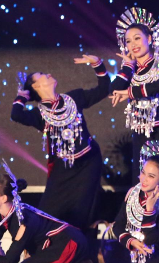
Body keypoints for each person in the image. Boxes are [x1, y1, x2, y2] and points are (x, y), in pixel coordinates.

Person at [11, 54, 108, 231]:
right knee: (50, 208)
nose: (48, 74)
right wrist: (22, 97)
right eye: (42, 75)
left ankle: (83, 243)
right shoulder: (39, 114)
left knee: (84, 208)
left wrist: (97, 64)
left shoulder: (74, 98)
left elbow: (104, 89)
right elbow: (16, 115)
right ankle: (46, 241)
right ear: (36, 86)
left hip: (89, 160)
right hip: (63, 167)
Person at [0, 171, 92, 263]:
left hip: (67, 244)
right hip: (55, 245)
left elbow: (9, 261)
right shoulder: (3, 214)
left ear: (3, 198)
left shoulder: (22, 221)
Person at [110, 8, 159, 187]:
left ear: (149, 39)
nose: (133, 44)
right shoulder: (130, 70)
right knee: (142, 183)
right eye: (128, 41)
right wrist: (127, 66)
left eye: (137, 38)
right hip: (141, 133)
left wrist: (130, 93)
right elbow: (113, 89)